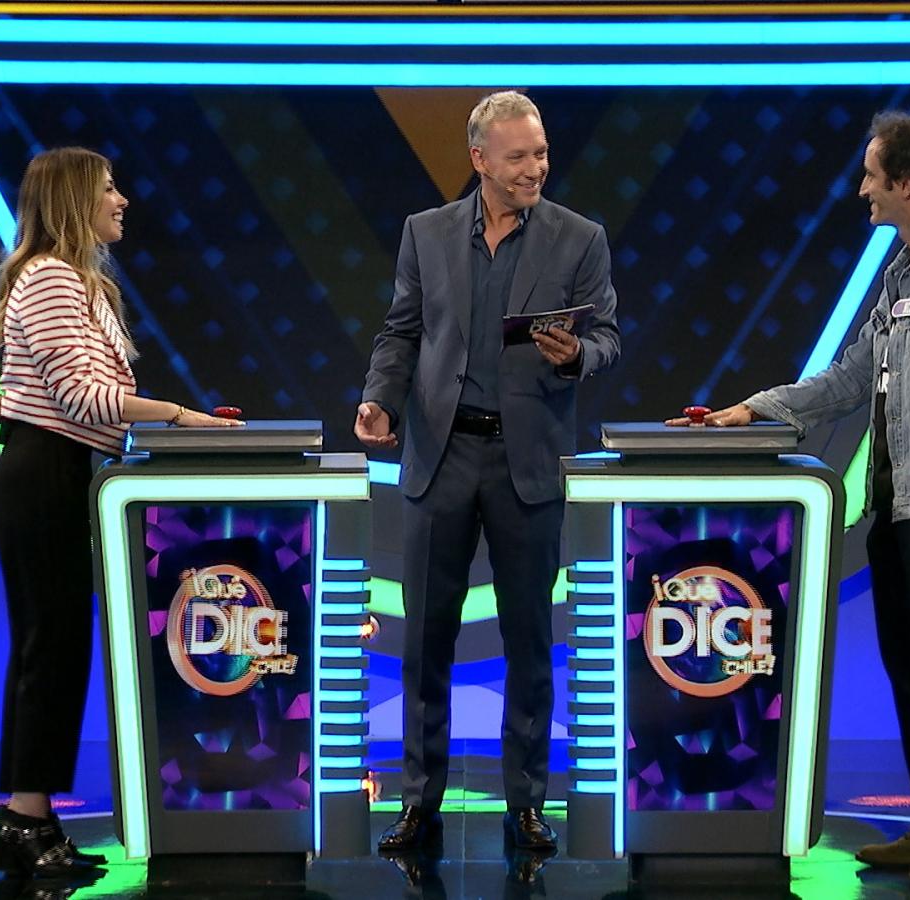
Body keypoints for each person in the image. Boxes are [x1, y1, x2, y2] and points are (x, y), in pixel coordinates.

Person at [672, 111, 910, 886]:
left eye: (872, 175)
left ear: (906, 182)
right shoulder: (902, 273)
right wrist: (754, 409)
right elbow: (846, 379)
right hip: (895, 501)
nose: (863, 189)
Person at [356, 91, 620, 855]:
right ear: (480, 160)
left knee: (530, 640)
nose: (536, 168)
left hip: (525, 460)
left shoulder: (580, 239)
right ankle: (418, 803)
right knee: (425, 642)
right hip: (440, 455)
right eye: (519, 157)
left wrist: (579, 355)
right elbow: (401, 331)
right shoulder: (426, 233)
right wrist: (378, 400)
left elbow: (606, 336)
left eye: (541, 153)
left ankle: (527, 803)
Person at [0, 147, 239, 877]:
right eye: (109, 189)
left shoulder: (75, 281)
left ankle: (29, 818)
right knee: (49, 649)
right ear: (74, 200)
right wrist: (180, 416)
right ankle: (25, 820)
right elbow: (85, 399)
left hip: (59, 471)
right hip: (43, 475)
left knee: (54, 648)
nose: (122, 201)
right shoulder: (52, 278)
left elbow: (54, 389)